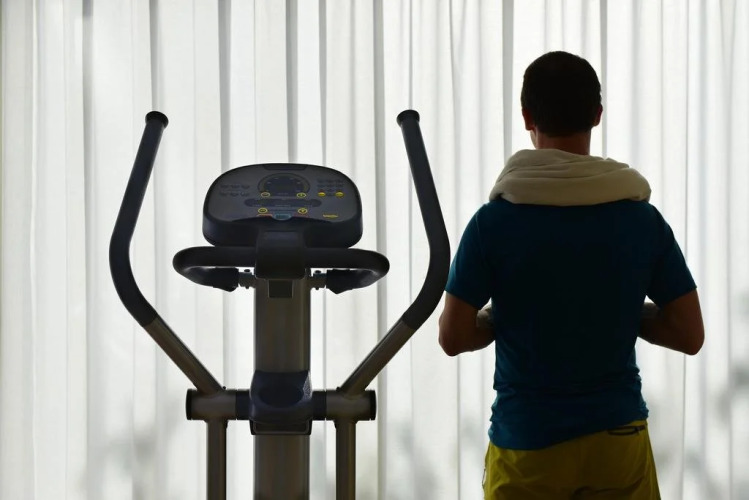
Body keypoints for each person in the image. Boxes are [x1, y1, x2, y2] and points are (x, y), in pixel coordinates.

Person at [438, 51, 704, 499]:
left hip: (527, 443)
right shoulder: (642, 220)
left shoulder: (492, 223)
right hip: (617, 441)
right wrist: (621, 311)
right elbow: (689, 333)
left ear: (527, 117)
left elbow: (453, 335)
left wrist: (503, 316)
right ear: (597, 115)